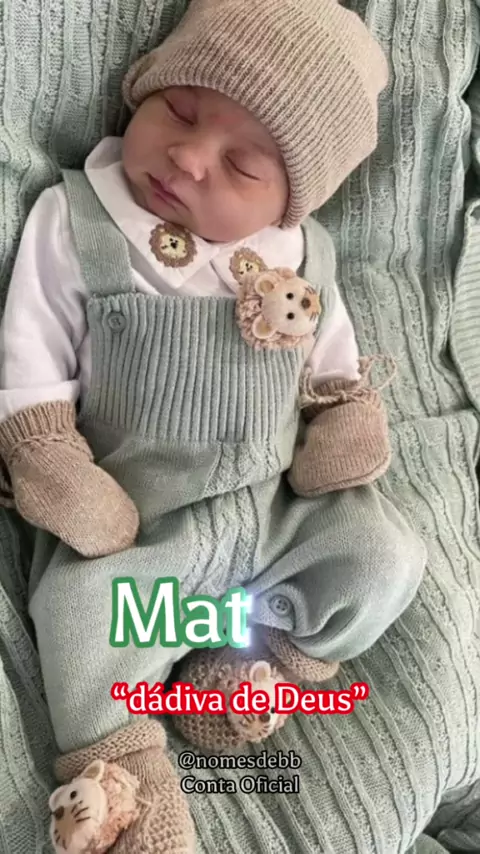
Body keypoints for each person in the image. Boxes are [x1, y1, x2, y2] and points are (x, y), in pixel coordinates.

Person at [0, 0, 427, 851]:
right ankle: (124, 785)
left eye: (242, 164)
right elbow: (30, 353)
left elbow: (331, 358)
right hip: (135, 528)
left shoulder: (303, 256)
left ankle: (252, 665)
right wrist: (51, 458)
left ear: (291, 202)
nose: (190, 159)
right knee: (82, 620)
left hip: (274, 520)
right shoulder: (80, 217)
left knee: (386, 556)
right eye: (180, 109)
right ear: (142, 86)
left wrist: (346, 413)